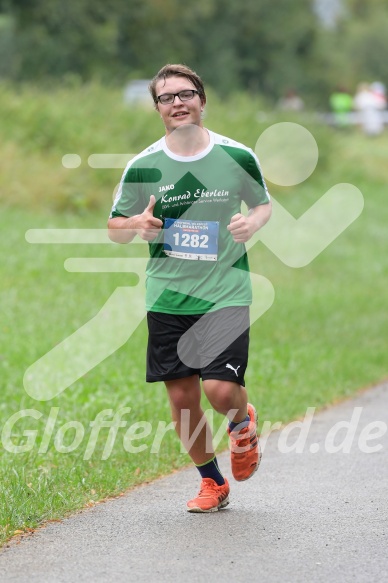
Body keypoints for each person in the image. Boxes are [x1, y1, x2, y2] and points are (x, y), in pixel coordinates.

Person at [108, 64, 272, 512]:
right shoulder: (143, 165)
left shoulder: (236, 156)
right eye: (167, 97)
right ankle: (212, 482)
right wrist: (137, 223)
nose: (177, 102)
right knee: (182, 398)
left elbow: (262, 204)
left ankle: (242, 421)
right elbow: (114, 227)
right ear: (158, 108)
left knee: (219, 391)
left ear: (202, 100)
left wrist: (249, 223)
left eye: (186, 94)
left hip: (225, 290)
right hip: (168, 293)